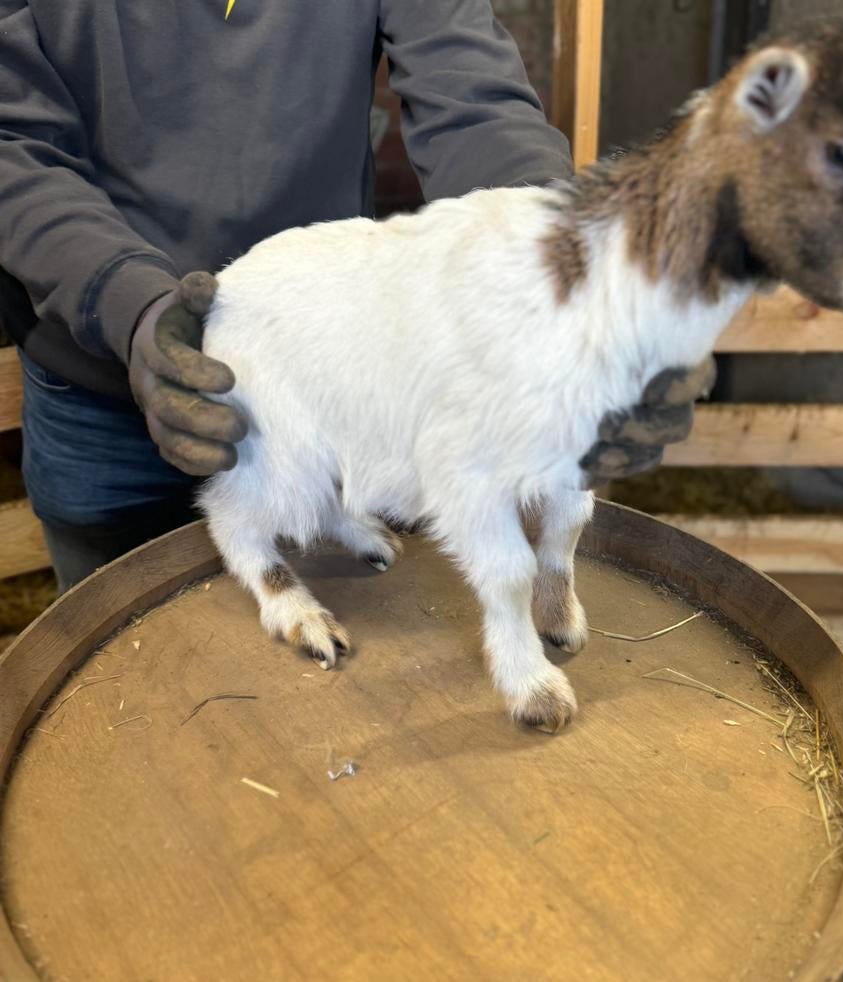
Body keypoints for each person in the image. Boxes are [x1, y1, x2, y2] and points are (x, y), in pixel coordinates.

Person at [1, 0, 704, 593]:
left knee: (331, 681)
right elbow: (13, 141)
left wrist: (564, 279)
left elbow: (471, 98)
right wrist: (130, 308)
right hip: (101, 386)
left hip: (325, 378)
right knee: (120, 687)